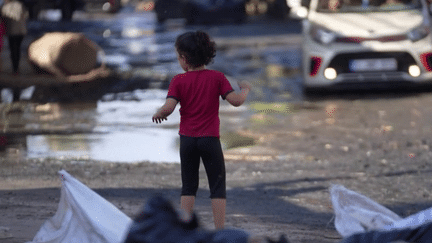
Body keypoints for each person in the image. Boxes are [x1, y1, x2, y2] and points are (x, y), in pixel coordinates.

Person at [152, 30, 251, 229]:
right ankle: (219, 230)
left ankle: (185, 230)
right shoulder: (217, 78)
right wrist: (245, 89)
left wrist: (159, 113)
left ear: (184, 59)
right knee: (217, 186)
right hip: (210, 140)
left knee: (188, 186)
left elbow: (169, 107)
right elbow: (236, 102)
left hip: (187, 141)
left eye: (179, 56)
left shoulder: (178, 81)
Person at [1, 0, 28, 74]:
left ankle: (15, 69)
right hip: (21, 31)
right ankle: (16, 68)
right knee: (17, 49)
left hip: (12, 31)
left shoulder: (5, 6)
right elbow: (26, 15)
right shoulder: (20, 5)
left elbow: (3, 17)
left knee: (13, 50)